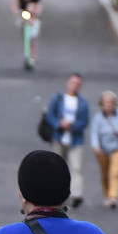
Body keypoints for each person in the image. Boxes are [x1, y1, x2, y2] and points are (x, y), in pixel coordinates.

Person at [43, 74, 90, 207]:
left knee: (76, 167)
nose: (74, 85)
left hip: (75, 140)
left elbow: (84, 121)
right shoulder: (58, 98)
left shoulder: (83, 103)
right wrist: (59, 124)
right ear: (67, 83)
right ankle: (57, 196)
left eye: (77, 83)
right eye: (72, 82)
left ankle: (76, 195)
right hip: (59, 138)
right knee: (57, 168)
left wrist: (72, 126)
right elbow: (49, 116)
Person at [14, 0, 42, 67]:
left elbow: (39, 6)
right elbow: (15, 4)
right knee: (25, 37)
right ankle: (27, 55)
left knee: (32, 38)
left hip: (33, 17)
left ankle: (33, 56)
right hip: (23, 16)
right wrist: (16, 12)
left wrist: (35, 13)